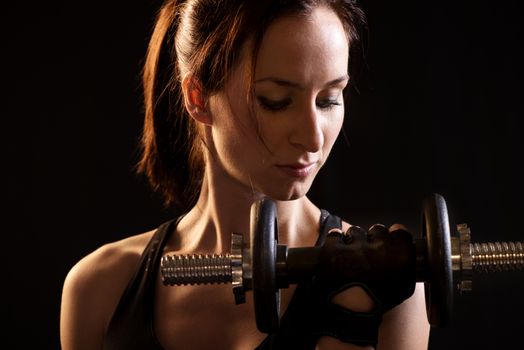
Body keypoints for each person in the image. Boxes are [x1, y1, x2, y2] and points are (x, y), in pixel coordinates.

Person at [60, 0, 430, 349]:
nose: (313, 136)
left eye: (329, 99)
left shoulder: (390, 288)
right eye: (276, 101)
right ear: (198, 97)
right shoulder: (100, 290)